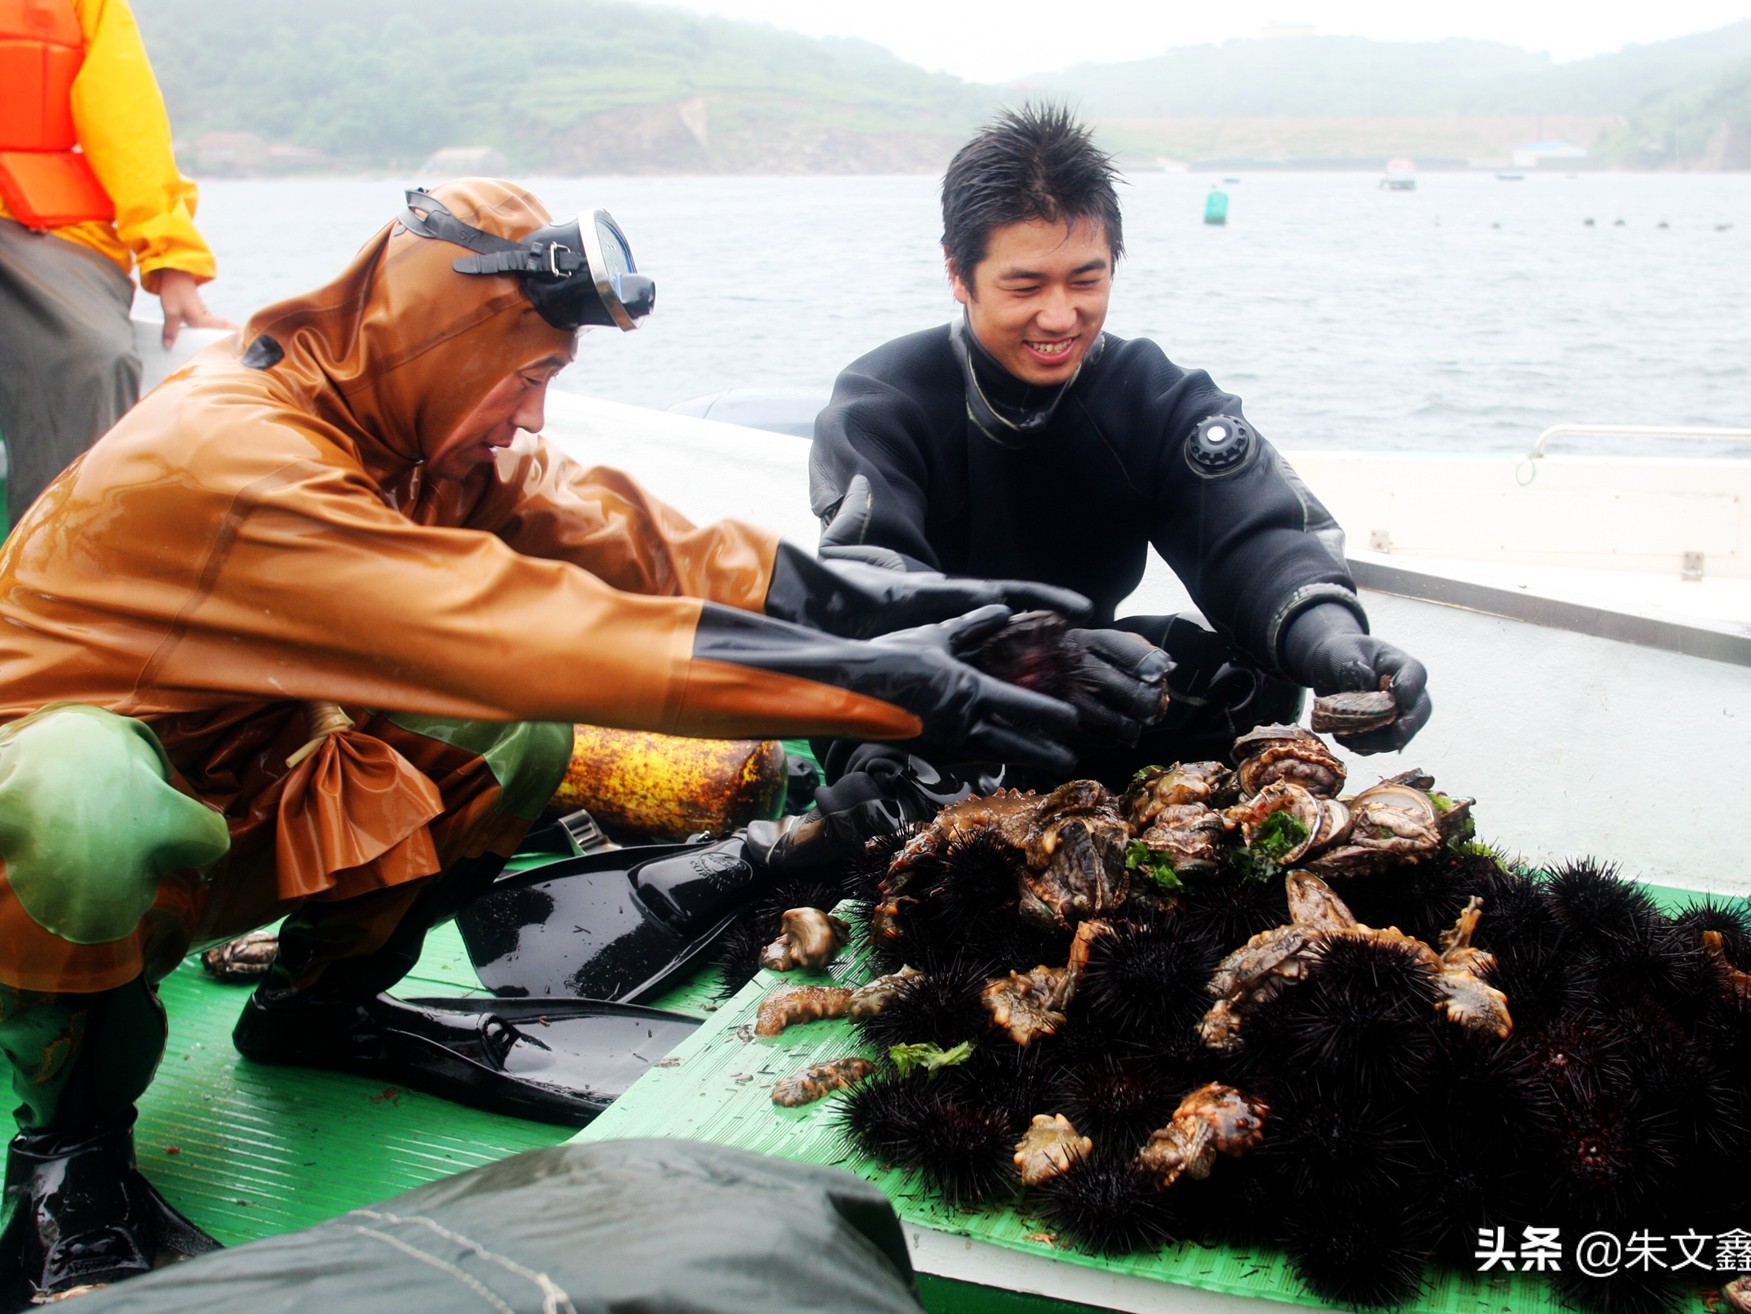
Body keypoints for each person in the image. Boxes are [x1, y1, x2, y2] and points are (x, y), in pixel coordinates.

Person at [0, 178, 1095, 1305]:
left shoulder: (408, 430)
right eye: (528, 378)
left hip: (233, 800)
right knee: (85, 794)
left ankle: (319, 1009)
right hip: (48, 855)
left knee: (511, 736)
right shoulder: (225, 454)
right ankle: (65, 1160)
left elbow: (633, 542)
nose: (532, 417)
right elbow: (520, 630)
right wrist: (887, 692)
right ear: (437, 335)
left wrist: (922, 611)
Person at [797, 102, 1433, 852]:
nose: (1060, 316)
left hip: (1081, 692)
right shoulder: (884, 401)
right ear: (957, 273)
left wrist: (1333, 645)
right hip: (939, 703)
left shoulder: (1152, 393)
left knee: (1246, 678)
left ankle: (1157, 837)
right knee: (877, 779)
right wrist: (1032, 664)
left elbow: (1253, 535)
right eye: (1025, 286)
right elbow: (870, 591)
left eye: (1086, 280)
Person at [0, 0, 233, 530]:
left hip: (38, 227)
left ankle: (54, 574)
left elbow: (126, 122)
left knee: (91, 356)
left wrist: (171, 257)